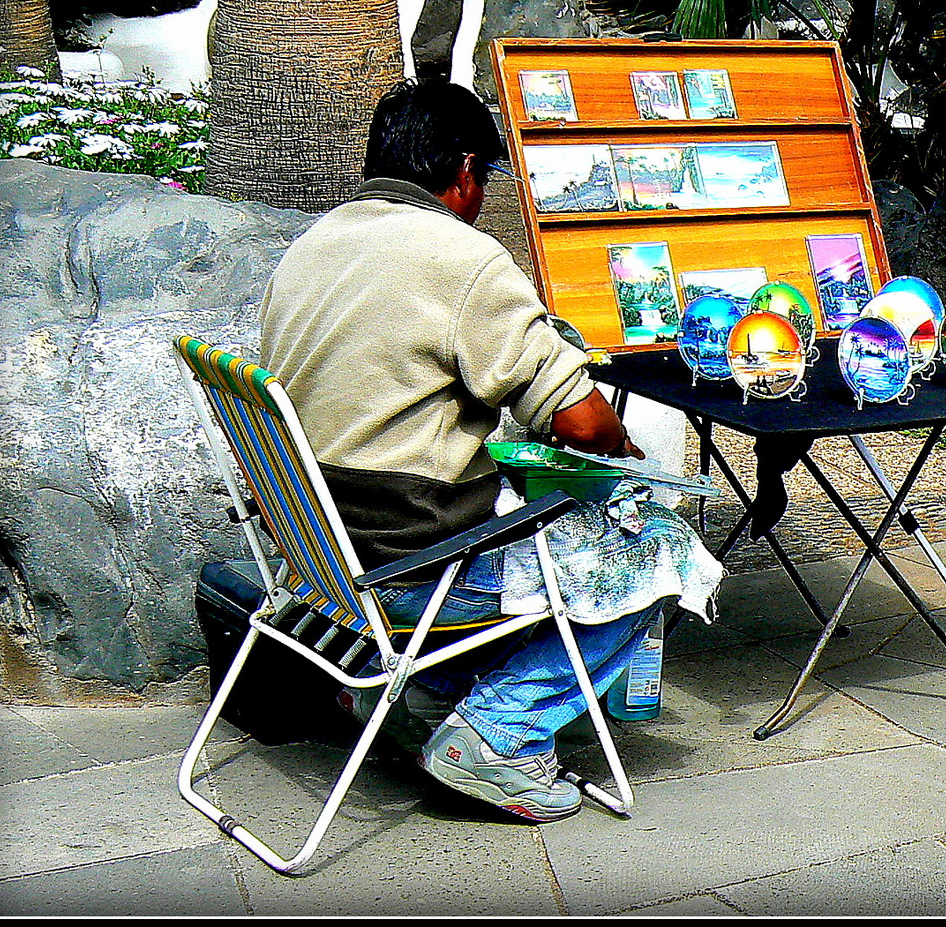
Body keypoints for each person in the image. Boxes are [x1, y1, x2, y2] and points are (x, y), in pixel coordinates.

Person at [258, 78, 722, 823]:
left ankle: (429, 698)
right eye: (487, 179)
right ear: (466, 170)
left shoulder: (315, 243)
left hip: (314, 553)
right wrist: (624, 452)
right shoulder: (459, 258)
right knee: (657, 553)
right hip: (407, 565)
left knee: (539, 523)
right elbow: (583, 427)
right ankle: (496, 737)